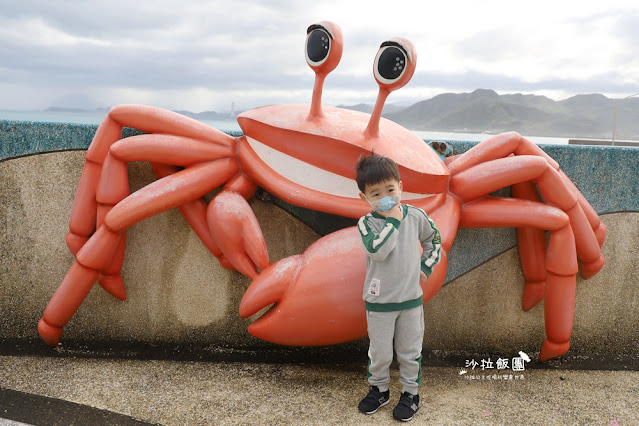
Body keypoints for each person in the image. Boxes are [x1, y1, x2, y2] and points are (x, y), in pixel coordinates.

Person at [355, 153, 442, 422]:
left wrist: (426, 266)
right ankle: (379, 390)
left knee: (410, 352)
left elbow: (434, 240)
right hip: (379, 302)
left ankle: (410, 394)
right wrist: (392, 220)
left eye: (391, 190)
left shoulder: (416, 216)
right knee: (379, 353)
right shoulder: (366, 223)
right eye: (376, 193)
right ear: (364, 198)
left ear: (401, 187)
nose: (386, 197)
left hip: (411, 302)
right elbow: (377, 251)